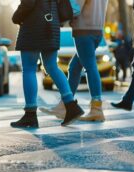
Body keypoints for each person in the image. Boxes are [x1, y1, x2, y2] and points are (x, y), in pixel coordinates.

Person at [11, 0, 84, 128]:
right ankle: (71, 105)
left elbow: (28, 4)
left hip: (34, 27)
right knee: (52, 66)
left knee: (28, 69)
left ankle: (30, 114)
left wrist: (16, 17)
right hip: (52, 25)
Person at [41, 0, 109, 122]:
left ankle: (97, 109)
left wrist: (57, 18)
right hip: (98, 30)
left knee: (90, 67)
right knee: (74, 67)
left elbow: (75, 8)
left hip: (84, 30)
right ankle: (65, 105)